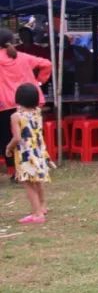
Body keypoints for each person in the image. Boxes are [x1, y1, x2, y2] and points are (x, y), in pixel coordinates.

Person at [0, 28, 52, 177]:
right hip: (29, 101)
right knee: (30, 137)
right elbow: (47, 64)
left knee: (7, 138)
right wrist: (39, 81)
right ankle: (33, 166)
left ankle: (14, 171)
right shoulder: (23, 57)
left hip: (5, 104)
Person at [5, 83, 52, 222]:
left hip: (25, 154)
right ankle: (42, 206)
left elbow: (18, 137)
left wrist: (9, 147)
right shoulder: (37, 112)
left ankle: (37, 214)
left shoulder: (16, 116)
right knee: (37, 180)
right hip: (38, 151)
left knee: (27, 182)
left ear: (17, 98)